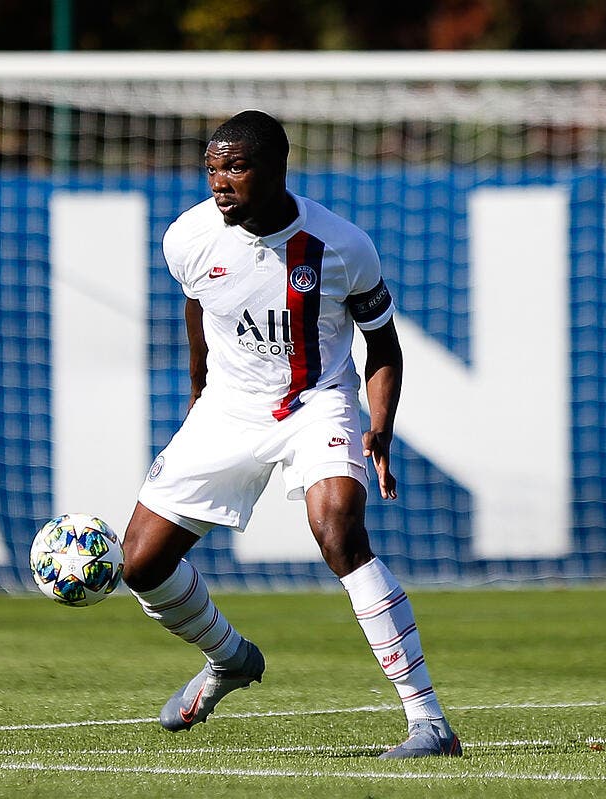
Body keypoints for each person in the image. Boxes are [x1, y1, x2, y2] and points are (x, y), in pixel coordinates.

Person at [121, 109, 460, 759]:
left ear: (277, 169)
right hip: (228, 406)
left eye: (236, 167)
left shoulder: (341, 245)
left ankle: (430, 722)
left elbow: (383, 344)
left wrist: (380, 427)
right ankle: (228, 659)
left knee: (339, 531)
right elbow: (198, 307)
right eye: (213, 168)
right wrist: (196, 393)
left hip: (317, 403)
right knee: (141, 562)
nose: (220, 182)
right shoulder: (188, 237)